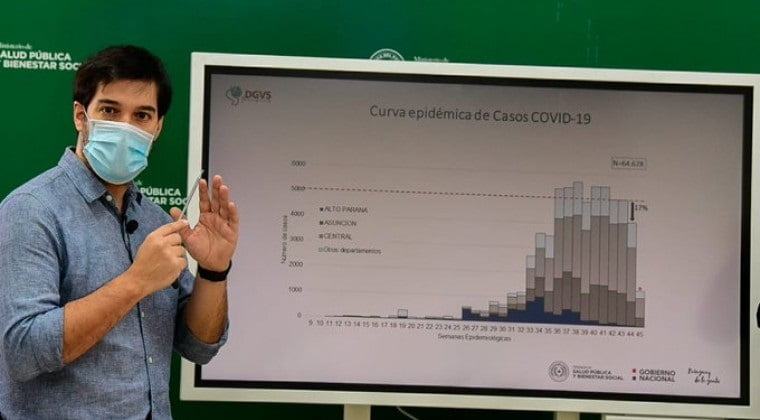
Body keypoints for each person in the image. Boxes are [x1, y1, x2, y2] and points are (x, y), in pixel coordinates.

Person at [0, 45, 239, 419]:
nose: (126, 127)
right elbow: (24, 350)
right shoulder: (31, 209)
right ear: (80, 116)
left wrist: (213, 271)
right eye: (110, 111)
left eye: (142, 115)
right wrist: (136, 282)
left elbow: (199, 346)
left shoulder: (155, 221)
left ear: (158, 127)